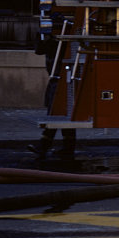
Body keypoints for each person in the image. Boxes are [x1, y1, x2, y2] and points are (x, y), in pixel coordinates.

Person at [27, 15, 76, 160]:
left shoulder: (63, 40)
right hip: (56, 77)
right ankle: (66, 147)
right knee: (60, 114)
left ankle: (45, 145)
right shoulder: (53, 40)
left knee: (57, 113)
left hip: (62, 77)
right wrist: (42, 35)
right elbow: (39, 50)